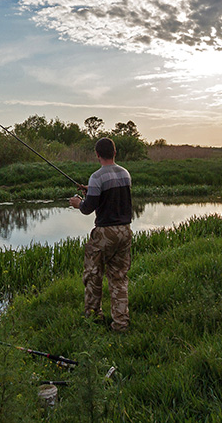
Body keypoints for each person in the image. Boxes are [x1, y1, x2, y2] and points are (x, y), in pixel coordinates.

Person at [69, 137, 132, 332]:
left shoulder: (97, 177)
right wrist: (91, 190)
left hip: (105, 233)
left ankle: (93, 317)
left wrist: (78, 202)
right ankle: (121, 324)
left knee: (93, 275)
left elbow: (88, 209)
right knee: (119, 278)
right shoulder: (125, 174)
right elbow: (112, 196)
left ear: (97, 154)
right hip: (125, 231)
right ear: (115, 152)